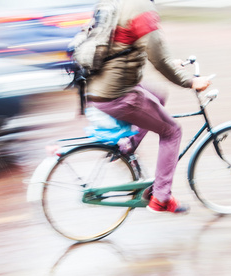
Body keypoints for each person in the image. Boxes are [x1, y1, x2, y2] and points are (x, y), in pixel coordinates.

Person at [81, 0, 211, 214]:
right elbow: (158, 59)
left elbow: (123, 46)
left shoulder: (112, 2)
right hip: (118, 94)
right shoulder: (140, 7)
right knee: (172, 131)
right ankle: (161, 198)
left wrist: (171, 63)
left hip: (97, 88)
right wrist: (190, 82)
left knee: (158, 96)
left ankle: (127, 148)